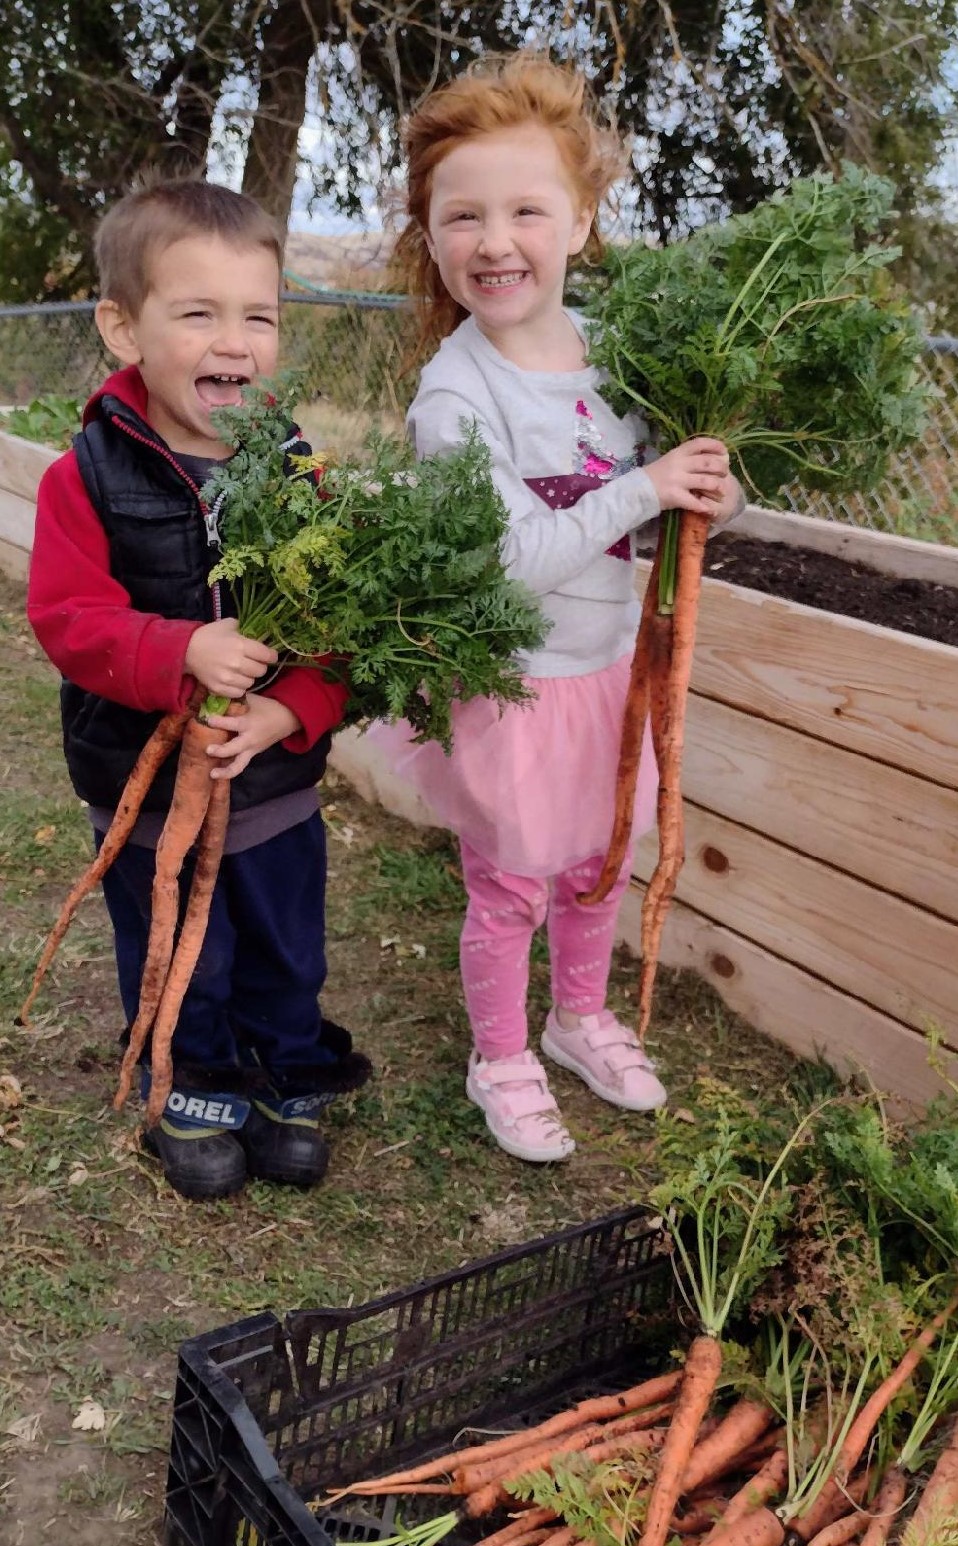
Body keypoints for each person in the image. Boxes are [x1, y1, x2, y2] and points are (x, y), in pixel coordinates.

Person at [387, 51, 744, 1164]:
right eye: (463, 217)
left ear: (581, 222)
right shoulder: (457, 395)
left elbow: (657, 506)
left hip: (608, 674)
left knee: (600, 863)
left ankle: (578, 1017)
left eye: (526, 210)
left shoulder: (616, 356)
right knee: (510, 886)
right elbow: (508, 565)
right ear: (432, 237)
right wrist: (641, 486)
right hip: (514, 682)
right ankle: (499, 1054)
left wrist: (701, 497)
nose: (494, 242)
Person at [27, 179, 370, 1202]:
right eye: (198, 313)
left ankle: (281, 1079)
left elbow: (337, 635)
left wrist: (285, 710)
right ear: (122, 326)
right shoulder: (83, 475)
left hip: (272, 789)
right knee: (178, 947)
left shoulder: (300, 471)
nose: (236, 340)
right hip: (142, 782)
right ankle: (195, 1086)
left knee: (282, 946)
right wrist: (180, 648)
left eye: (257, 315)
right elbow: (70, 621)